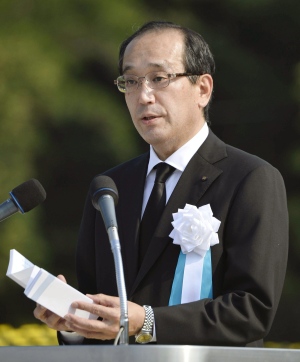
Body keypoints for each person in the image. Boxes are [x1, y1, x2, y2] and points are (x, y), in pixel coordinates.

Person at [34, 20, 289, 347]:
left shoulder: (251, 179)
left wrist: (147, 322)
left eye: (159, 78)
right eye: (131, 81)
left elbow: (252, 311)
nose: (144, 96)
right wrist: (73, 322)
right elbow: (100, 309)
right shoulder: (109, 188)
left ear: (203, 89)